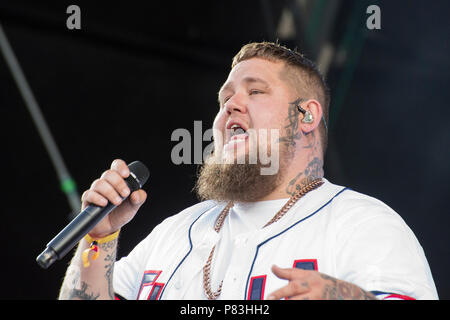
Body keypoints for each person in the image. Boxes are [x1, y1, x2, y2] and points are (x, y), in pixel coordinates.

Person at [58, 42, 438, 300]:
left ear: (306, 115)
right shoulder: (173, 233)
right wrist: (98, 240)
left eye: (255, 91)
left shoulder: (364, 224)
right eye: (225, 98)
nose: (231, 105)